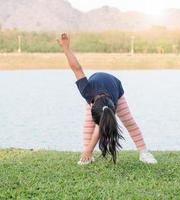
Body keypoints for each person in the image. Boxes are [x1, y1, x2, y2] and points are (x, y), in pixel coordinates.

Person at [57, 33, 157, 165]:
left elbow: (102, 125)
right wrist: (66, 48)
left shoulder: (114, 102)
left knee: (129, 121)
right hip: (96, 92)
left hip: (114, 89)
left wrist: (90, 149)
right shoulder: (86, 90)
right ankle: (88, 156)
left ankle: (144, 152)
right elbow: (77, 68)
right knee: (88, 124)